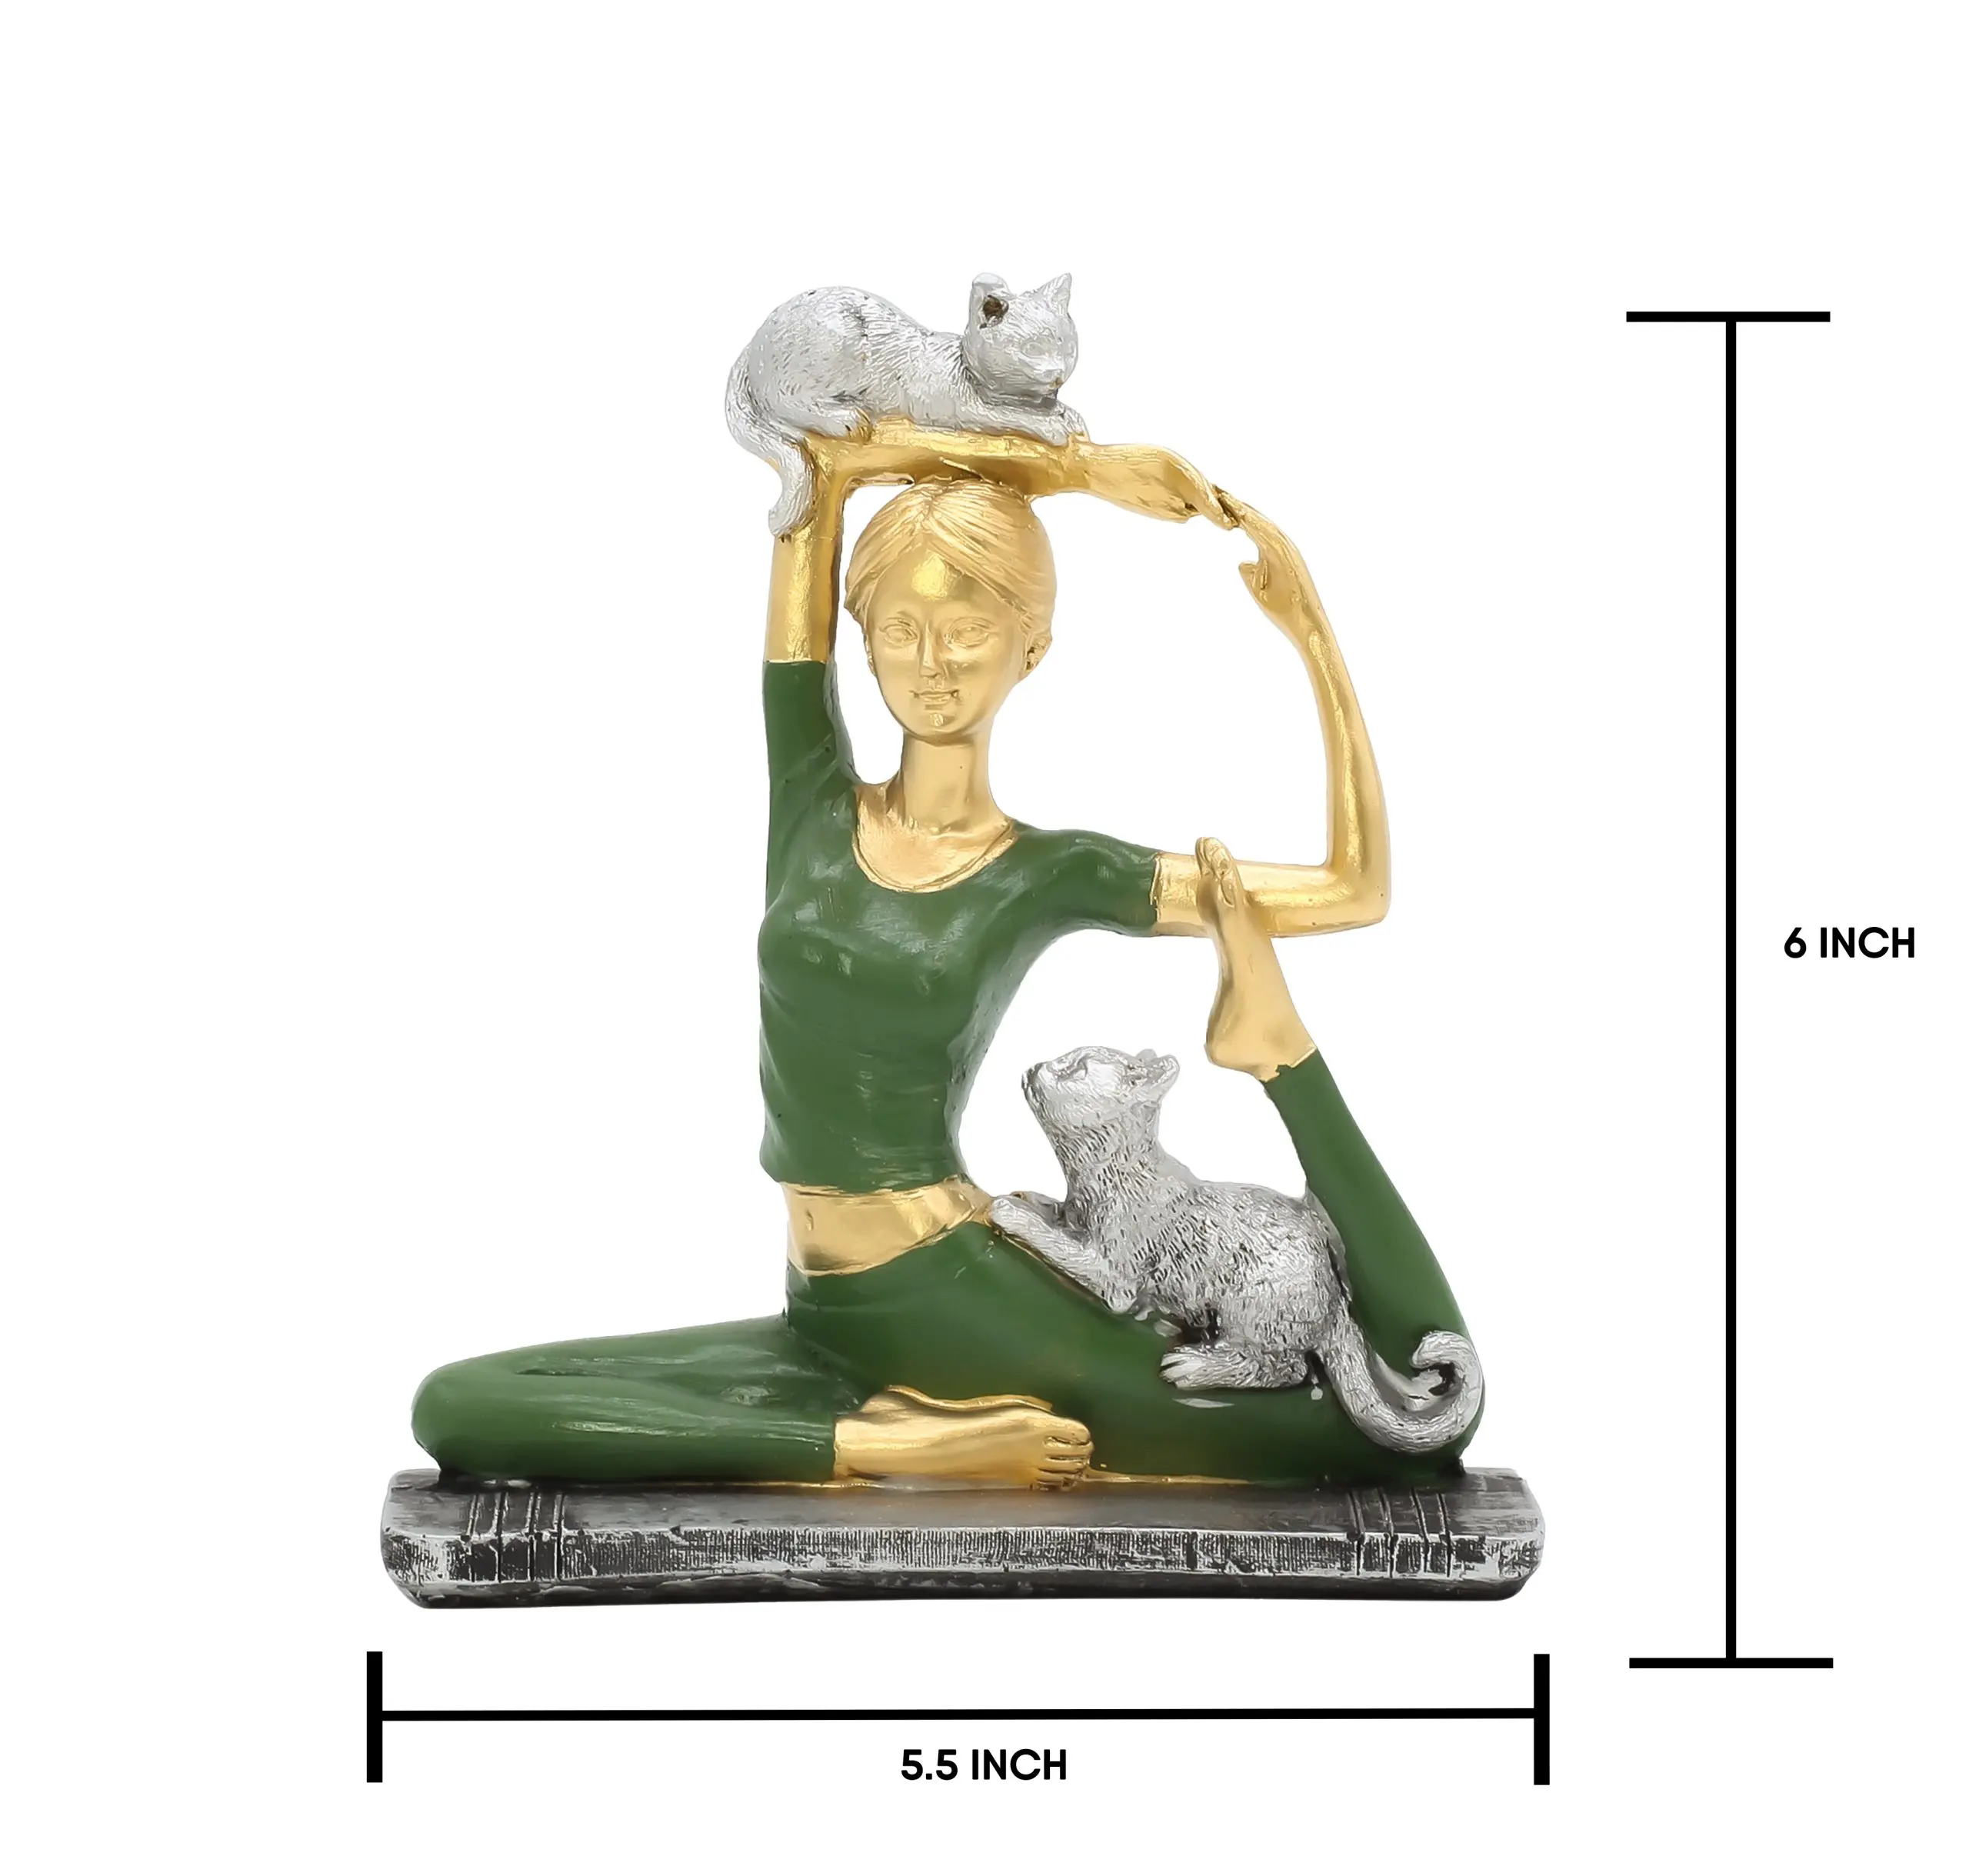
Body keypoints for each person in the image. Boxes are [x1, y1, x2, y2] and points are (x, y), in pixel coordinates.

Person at [411, 428, 1478, 1486]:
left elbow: (1353, 888)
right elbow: (814, 460)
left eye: (967, 632)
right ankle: (881, 1444)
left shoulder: (1047, 872)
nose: (930, 665)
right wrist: (1077, 468)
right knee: (458, 1405)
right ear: (862, 634)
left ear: (1030, 650)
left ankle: (1278, 1051)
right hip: (826, 1302)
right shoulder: (811, 803)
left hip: (950, 1282)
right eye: (903, 629)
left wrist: (1311, 634)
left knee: (1373, 1427)